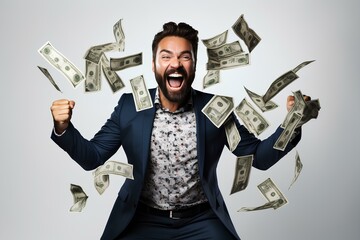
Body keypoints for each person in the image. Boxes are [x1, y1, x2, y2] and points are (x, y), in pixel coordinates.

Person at [51, 22, 304, 240]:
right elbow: (92, 157)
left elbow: (258, 157)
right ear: (153, 65)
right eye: (166, 56)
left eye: (185, 56)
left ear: (194, 65)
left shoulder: (216, 108)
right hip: (142, 219)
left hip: (201, 220)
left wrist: (291, 123)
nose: (176, 63)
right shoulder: (130, 107)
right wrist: (63, 127)